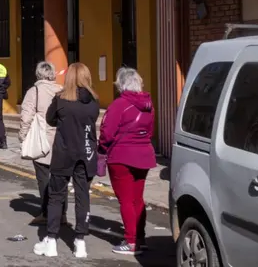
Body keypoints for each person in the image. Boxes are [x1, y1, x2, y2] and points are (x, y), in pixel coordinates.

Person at [33, 63, 100, 259]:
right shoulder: (93, 101)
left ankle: (51, 240)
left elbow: (50, 118)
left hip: (64, 153)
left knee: (56, 196)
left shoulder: (61, 99)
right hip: (86, 152)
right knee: (82, 196)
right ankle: (80, 241)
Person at [98, 68, 156, 255]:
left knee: (126, 200)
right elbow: (150, 131)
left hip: (121, 156)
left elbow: (107, 133)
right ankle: (140, 238)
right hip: (144, 154)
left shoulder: (119, 104)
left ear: (120, 84)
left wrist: (101, 149)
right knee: (137, 199)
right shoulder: (148, 105)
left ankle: (130, 241)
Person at [18, 62, 66, 225]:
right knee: (60, 178)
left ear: (38, 74)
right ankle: (62, 213)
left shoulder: (34, 91)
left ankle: (46, 212)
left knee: (43, 177)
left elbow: (26, 116)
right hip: (60, 139)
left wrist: (22, 135)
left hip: (42, 139)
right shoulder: (61, 90)